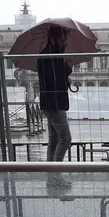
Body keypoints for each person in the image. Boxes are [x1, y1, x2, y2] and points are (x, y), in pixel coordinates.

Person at [37, 26, 73, 189]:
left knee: (54, 140)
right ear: (53, 39)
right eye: (63, 39)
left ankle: (51, 179)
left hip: (51, 102)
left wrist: (66, 69)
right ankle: (55, 177)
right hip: (54, 103)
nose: (65, 43)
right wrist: (66, 69)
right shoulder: (49, 57)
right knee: (65, 138)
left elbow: (57, 78)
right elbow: (54, 81)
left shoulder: (53, 55)